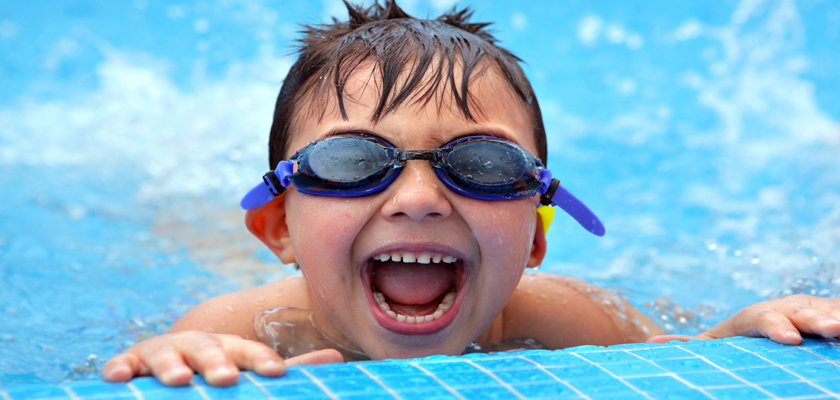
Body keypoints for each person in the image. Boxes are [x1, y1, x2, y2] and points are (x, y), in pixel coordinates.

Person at [102, 1, 840, 387]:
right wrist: (177, 355)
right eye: (354, 161)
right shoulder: (244, 328)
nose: (418, 198)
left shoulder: (565, 314)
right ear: (277, 228)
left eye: (483, 165)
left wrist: (742, 332)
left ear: (535, 238)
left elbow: (680, 361)